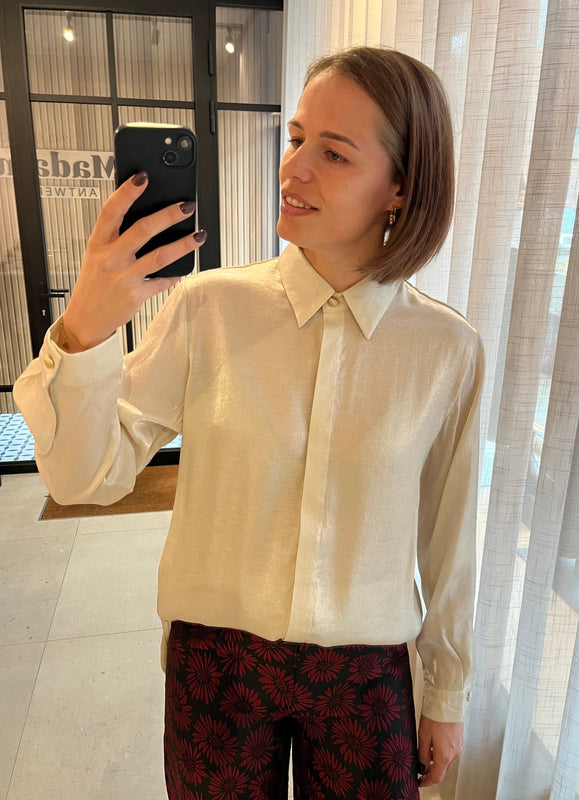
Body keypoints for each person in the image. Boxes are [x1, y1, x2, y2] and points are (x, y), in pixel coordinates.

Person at [14, 46, 484, 799]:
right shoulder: (209, 307)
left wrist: (448, 691)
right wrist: (85, 332)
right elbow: (83, 479)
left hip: (366, 673)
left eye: (333, 152)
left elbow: (449, 537)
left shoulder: (445, 350)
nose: (293, 168)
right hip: (218, 663)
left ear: (400, 186)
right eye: (296, 138)